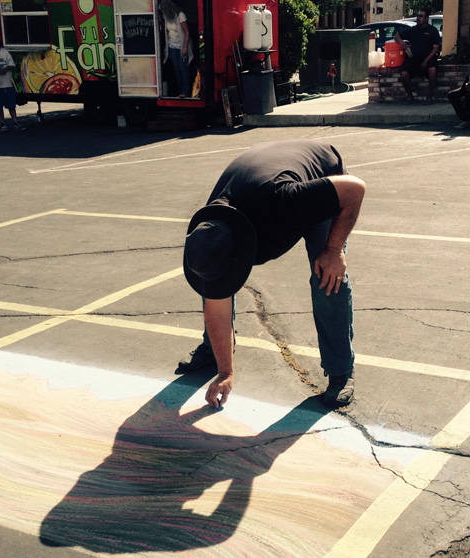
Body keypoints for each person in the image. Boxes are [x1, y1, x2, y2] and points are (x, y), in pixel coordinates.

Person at [178, 140, 366, 409]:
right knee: (215, 272)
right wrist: (225, 372)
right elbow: (216, 302)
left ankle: (341, 371)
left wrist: (334, 250)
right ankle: (215, 349)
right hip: (265, 176)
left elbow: (354, 189)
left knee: (327, 275)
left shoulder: (285, 201)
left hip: (320, 174)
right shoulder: (210, 229)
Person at [399, 7, 442, 105]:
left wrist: (426, 61)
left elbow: (435, 48)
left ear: (426, 18)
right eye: (417, 16)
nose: (418, 18)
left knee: (433, 71)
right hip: (414, 58)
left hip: (429, 57)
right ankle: (410, 96)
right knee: (404, 74)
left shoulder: (433, 30)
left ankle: (430, 96)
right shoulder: (412, 30)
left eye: (421, 16)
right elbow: (397, 36)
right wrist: (402, 43)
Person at [159, 0, 192, 97]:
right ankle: (180, 91)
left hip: (181, 45)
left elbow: (187, 32)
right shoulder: (166, 16)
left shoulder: (180, 15)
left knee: (183, 68)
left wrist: (185, 47)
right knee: (177, 69)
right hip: (172, 46)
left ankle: (186, 91)